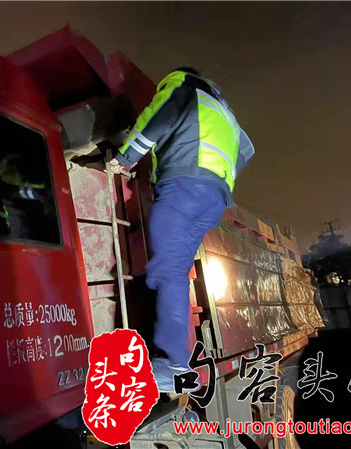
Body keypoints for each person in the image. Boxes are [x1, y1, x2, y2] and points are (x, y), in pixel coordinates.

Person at [108, 67, 255, 392]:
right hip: (214, 198)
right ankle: (173, 359)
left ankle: (173, 364)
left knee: (168, 270)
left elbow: (157, 118)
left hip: (183, 186)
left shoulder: (183, 85)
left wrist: (126, 157)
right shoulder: (226, 114)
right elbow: (246, 151)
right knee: (175, 271)